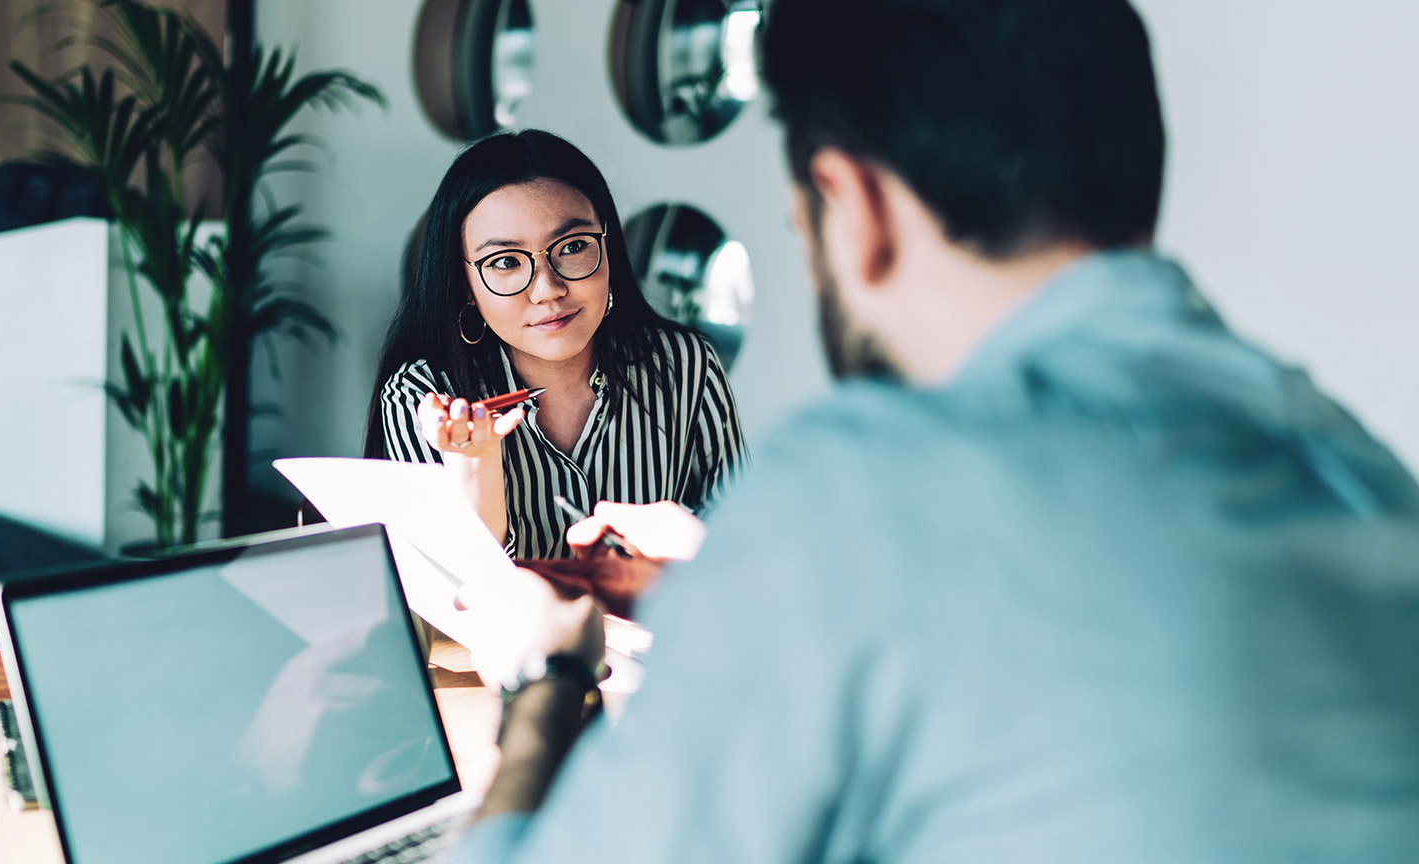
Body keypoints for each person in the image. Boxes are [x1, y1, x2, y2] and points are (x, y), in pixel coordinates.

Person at [447, 0, 1419, 861]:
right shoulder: (1353, 469)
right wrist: (717, 588)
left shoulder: (859, 488)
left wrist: (547, 677)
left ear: (853, 204)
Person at [363, 130, 746, 559]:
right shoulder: (423, 398)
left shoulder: (687, 366)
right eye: (505, 262)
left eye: (573, 247)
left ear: (609, 249)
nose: (547, 289)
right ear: (465, 285)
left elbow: (739, 540)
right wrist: (476, 464)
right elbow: (457, 592)